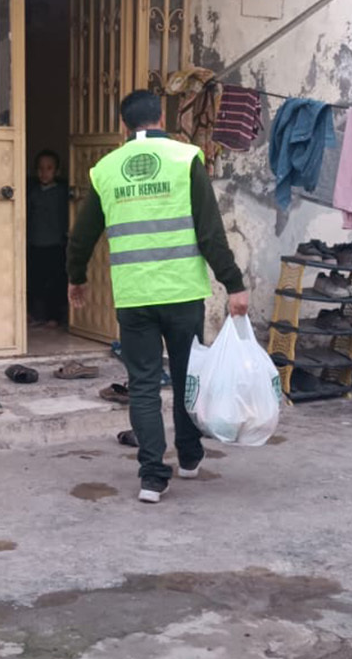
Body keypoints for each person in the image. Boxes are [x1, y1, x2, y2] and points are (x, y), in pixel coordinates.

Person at [67, 90, 249, 504]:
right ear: (161, 117)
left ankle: (152, 477)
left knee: (144, 386)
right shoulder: (185, 159)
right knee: (187, 377)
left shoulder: (106, 169)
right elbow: (210, 233)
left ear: (123, 125)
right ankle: (189, 457)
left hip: (134, 297)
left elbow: (82, 236)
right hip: (182, 294)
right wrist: (233, 283)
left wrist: (76, 278)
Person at [26, 150, 71, 328]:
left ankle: (54, 316)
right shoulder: (33, 193)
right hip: (35, 243)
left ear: (57, 171)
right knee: (34, 280)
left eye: (49, 168)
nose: (44, 173)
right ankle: (33, 313)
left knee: (55, 282)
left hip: (56, 244)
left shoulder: (62, 193)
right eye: (40, 168)